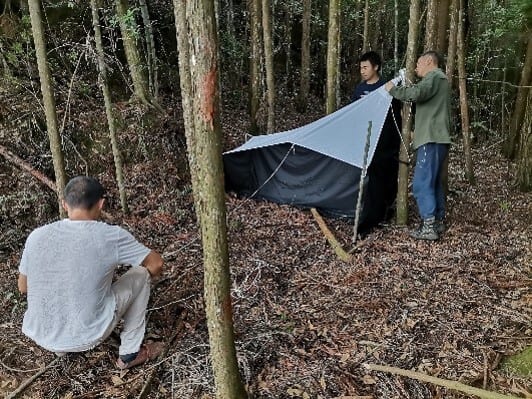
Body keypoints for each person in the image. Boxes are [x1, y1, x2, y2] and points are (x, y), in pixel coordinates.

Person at [17, 176, 164, 369]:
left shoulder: (37, 236)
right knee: (141, 273)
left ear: (64, 204)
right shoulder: (110, 236)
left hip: (43, 336)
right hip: (87, 335)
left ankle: (63, 346)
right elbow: (156, 264)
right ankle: (130, 354)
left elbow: (23, 287)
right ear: (101, 204)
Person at [385, 50, 452, 240]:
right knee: (433, 182)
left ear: (429, 61)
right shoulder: (439, 81)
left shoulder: (434, 76)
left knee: (422, 183)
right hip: (436, 138)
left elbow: (418, 93)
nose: (415, 68)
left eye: (418, 64)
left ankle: (429, 226)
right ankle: (437, 222)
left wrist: (393, 89)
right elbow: (423, 99)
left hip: (431, 139)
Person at [351, 51, 402, 231]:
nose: (362, 71)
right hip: (366, 140)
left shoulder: (386, 87)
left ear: (376, 67)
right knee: (371, 179)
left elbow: (396, 115)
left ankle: (386, 209)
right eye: (361, 68)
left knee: (385, 176)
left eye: (365, 67)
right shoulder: (359, 89)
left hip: (385, 142)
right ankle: (372, 214)